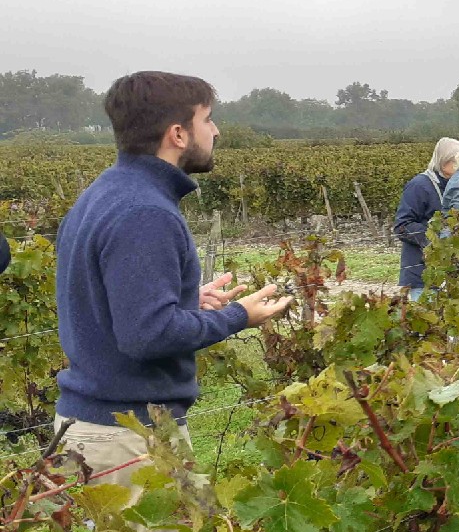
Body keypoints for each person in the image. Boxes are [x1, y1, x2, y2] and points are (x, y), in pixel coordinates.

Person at [53, 71, 292, 508]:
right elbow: (146, 335)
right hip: (131, 440)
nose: (216, 131)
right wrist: (239, 316)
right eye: (208, 119)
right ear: (178, 134)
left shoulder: (105, 193)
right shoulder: (146, 212)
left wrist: (184, 301)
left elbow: (106, 303)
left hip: (99, 429)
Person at [394, 137, 459, 300]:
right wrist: (436, 237)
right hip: (421, 273)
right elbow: (402, 226)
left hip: (448, 272)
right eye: (457, 161)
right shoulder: (419, 185)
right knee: (427, 323)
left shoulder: (454, 185)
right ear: (444, 161)